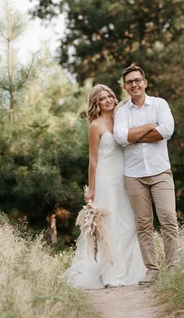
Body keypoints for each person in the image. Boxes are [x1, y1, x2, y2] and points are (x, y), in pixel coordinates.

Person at [62, 84, 146, 289]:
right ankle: (111, 274)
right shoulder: (95, 126)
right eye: (102, 98)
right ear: (96, 104)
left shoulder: (121, 118)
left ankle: (123, 268)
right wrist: (91, 189)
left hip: (125, 177)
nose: (108, 100)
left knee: (131, 224)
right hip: (105, 179)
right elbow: (93, 160)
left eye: (110, 96)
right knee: (110, 227)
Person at [113, 65, 180, 284]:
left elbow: (167, 130)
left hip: (160, 171)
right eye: (130, 82)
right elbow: (121, 137)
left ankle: (173, 267)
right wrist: (151, 127)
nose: (134, 84)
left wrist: (135, 136)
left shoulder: (159, 104)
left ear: (145, 82)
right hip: (134, 175)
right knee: (143, 224)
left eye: (137, 80)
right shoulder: (122, 111)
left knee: (169, 219)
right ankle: (152, 270)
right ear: (125, 87)